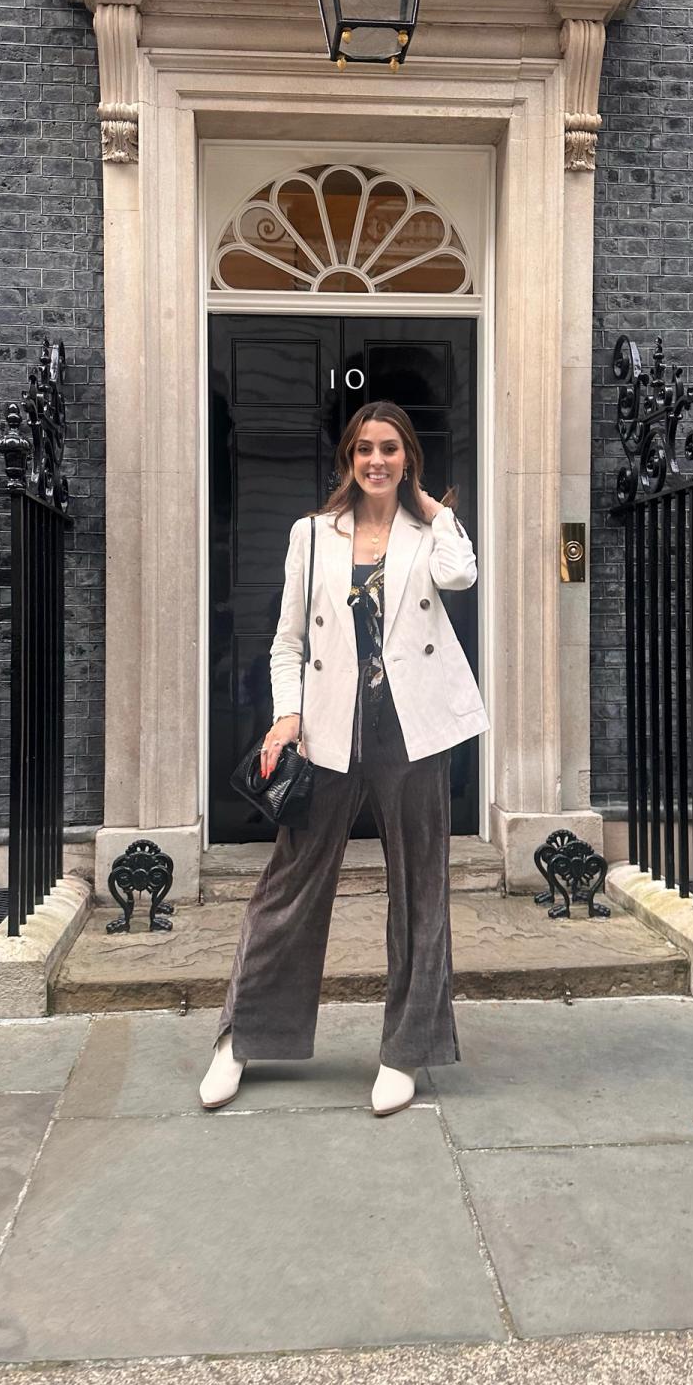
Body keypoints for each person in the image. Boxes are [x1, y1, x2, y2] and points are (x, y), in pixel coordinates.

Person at [199, 400, 490, 1117]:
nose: (377, 461)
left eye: (390, 449)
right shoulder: (312, 534)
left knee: (420, 889)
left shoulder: (430, 533)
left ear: (408, 458)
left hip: (411, 731)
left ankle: (406, 1049)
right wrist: (286, 716)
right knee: (288, 885)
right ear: (348, 460)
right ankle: (240, 1038)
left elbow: (462, 578)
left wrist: (432, 506)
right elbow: (288, 640)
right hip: (328, 728)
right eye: (364, 449)